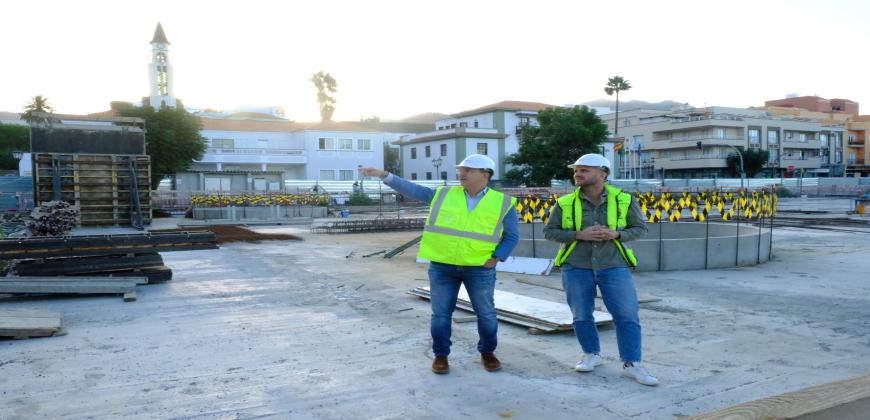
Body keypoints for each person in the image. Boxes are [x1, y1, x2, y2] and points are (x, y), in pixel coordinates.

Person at [359, 154, 518, 374]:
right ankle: (441, 355)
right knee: (441, 314)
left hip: (479, 268)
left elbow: (511, 236)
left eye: (468, 170)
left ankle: (487, 352)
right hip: (443, 266)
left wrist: (496, 258)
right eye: (461, 170)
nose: (461, 173)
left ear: (485, 174)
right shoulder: (443, 195)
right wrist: (384, 175)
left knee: (486, 313)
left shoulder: (503, 203)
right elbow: (412, 189)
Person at [543, 153, 659, 386]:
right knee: (582, 315)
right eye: (576, 170)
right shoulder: (565, 203)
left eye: (584, 170)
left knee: (627, 316)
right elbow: (549, 232)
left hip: (613, 266)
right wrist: (578, 235)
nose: (578, 174)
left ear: (603, 174)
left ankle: (631, 364)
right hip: (576, 266)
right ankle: (591, 354)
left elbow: (640, 228)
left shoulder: (624, 200)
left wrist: (617, 234)